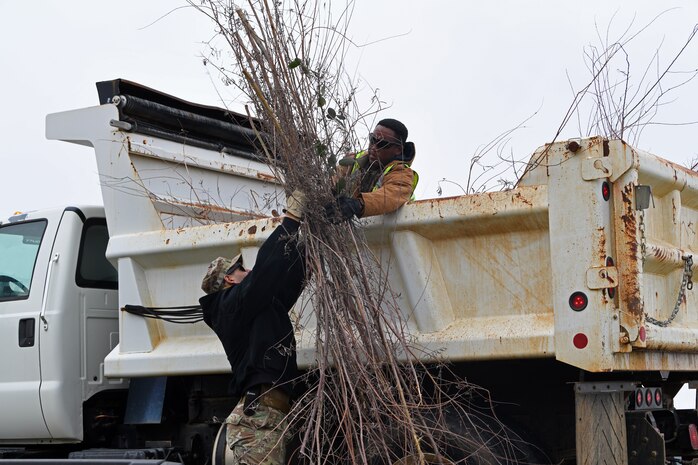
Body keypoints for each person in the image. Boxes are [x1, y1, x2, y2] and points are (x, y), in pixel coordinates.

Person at [199, 191, 306, 465]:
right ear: (229, 280)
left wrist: (307, 244)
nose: (246, 271)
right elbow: (264, 274)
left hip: (265, 421)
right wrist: (290, 221)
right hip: (256, 425)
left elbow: (282, 281)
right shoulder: (229, 307)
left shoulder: (255, 307)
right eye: (240, 269)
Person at [330, 118, 419, 221]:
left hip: (391, 232)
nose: (373, 147)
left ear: (398, 150)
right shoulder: (354, 161)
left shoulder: (402, 173)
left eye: (382, 144)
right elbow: (332, 181)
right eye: (372, 140)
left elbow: (391, 195)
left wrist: (359, 204)